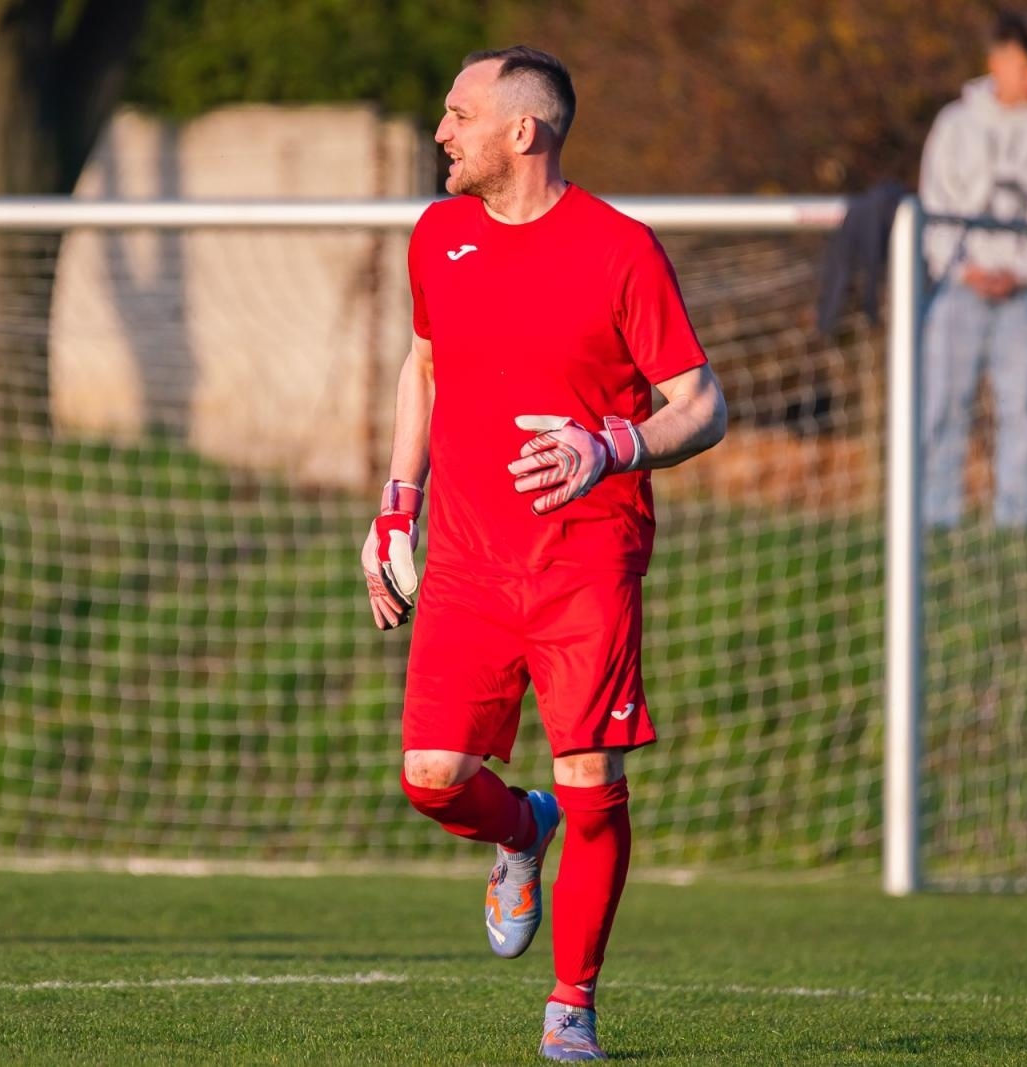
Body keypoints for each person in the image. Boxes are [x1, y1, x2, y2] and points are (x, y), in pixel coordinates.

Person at [359, 45, 727, 1062]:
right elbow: (423, 365)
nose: (442, 131)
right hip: (470, 562)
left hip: (584, 561)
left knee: (593, 782)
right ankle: (517, 831)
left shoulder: (619, 248)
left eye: (459, 113)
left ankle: (571, 1007)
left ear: (523, 131)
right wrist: (398, 506)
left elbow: (703, 404)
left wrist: (611, 444)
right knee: (430, 777)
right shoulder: (437, 235)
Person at [918, 10, 1027, 528]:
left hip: (1024, 295)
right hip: (958, 289)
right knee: (944, 404)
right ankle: (935, 517)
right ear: (997, 61)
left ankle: (1015, 521)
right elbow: (933, 205)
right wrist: (964, 267)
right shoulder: (955, 124)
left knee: (1023, 409)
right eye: (1023, 67)